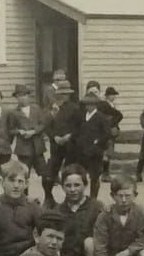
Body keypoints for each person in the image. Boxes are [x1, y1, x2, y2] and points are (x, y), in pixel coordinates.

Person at [55, 164, 104, 256]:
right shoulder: (58, 211)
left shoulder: (97, 207)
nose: (73, 189)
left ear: (85, 185)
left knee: (90, 242)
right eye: (68, 185)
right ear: (62, 187)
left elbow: (103, 237)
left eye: (77, 185)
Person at [43, 80, 80, 208]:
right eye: (60, 94)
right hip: (56, 146)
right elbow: (47, 126)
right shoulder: (53, 109)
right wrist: (54, 137)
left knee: (69, 173)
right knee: (49, 173)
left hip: (71, 146)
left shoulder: (75, 108)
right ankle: (48, 198)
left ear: (69, 95)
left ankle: (69, 201)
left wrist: (69, 136)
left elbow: (79, 127)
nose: (62, 97)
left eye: (65, 94)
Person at [8, 85, 47, 193]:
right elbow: (11, 130)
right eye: (19, 96)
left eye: (24, 95)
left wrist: (34, 131)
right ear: (16, 98)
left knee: (45, 174)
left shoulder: (36, 108)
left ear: (28, 96)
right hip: (23, 149)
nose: (22, 98)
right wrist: (19, 131)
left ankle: (49, 197)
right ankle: (24, 199)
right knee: (23, 175)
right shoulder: (13, 113)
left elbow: (43, 124)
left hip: (37, 147)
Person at [73, 91, 110, 200]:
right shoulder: (82, 116)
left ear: (95, 105)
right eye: (87, 104)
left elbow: (107, 133)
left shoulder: (101, 117)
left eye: (92, 104)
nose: (89, 107)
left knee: (94, 176)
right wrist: (78, 141)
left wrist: (98, 142)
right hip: (83, 150)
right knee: (81, 175)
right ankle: (81, 197)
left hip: (95, 151)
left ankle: (93, 198)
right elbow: (77, 131)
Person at [97, 87, 124, 182]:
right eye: (113, 95)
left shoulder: (111, 105)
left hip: (111, 132)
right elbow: (117, 116)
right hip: (106, 132)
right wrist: (111, 125)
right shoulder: (104, 105)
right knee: (106, 153)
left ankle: (105, 172)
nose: (114, 97)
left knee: (109, 153)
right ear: (108, 96)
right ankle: (105, 174)